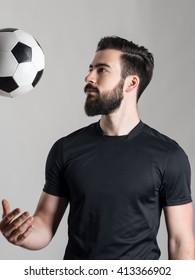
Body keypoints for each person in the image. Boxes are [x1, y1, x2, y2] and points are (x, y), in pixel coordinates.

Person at [0, 36, 194, 260]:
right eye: (91, 68)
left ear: (131, 83)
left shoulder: (168, 155)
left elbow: (181, 243)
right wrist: (22, 234)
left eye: (102, 70)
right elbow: (44, 226)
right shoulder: (66, 149)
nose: (89, 77)